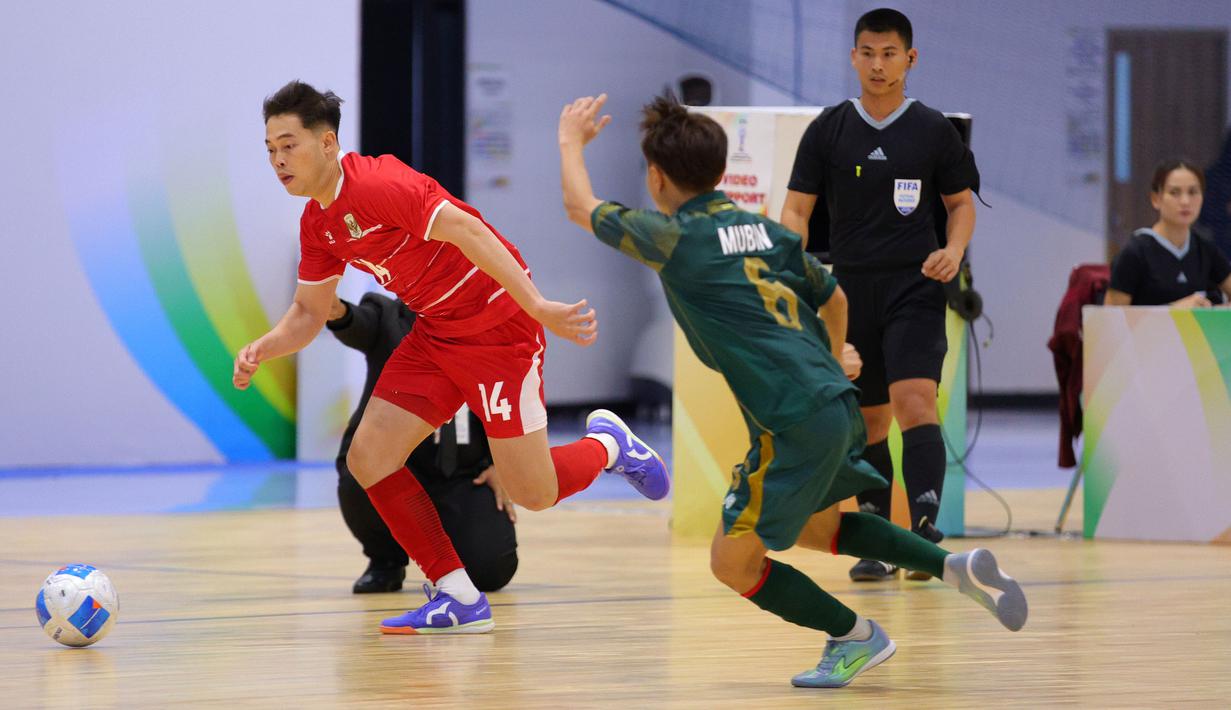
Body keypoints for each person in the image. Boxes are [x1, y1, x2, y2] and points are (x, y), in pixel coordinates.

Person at [557, 92, 1026, 689]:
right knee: (815, 527)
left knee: (732, 562)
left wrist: (571, 139)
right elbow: (834, 297)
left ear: (656, 177)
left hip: (793, 420)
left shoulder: (674, 237)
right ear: (721, 171)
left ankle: (857, 637)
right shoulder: (763, 232)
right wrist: (834, 358)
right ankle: (949, 565)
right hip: (834, 405)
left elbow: (580, 206)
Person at [234, 81, 670, 635]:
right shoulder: (317, 223)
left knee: (534, 492)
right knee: (369, 457)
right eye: (269, 148)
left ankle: (608, 445)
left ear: (326, 144)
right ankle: (458, 596)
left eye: (288, 145)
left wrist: (534, 305)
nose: (277, 160)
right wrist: (264, 349)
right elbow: (309, 310)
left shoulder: (378, 181)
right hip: (437, 333)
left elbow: (466, 228)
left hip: (498, 329)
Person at [780, 8, 980, 582]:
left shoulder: (934, 130)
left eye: (889, 53)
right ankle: (878, 542)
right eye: (867, 52)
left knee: (916, 398)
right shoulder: (829, 129)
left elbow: (961, 204)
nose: (877, 63)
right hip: (848, 289)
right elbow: (797, 208)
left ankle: (923, 533)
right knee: (867, 422)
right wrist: (794, 269)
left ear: (910, 59)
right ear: (852, 57)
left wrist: (955, 249)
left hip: (917, 283)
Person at [326, 292, 518, 595]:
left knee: (491, 571)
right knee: (361, 476)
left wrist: (503, 464)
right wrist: (334, 309)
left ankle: (454, 565)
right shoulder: (388, 315)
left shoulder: (489, 323)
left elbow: (512, 392)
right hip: (396, 468)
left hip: (466, 472)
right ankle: (385, 561)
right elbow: (355, 323)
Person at [1106, 159, 1231, 307]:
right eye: (1174, 192)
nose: (1185, 201)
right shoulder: (1135, 252)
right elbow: (1111, 320)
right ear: (1156, 199)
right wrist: (1172, 312)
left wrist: (1214, 313)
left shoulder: (1205, 249)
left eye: (1193, 192)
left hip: (1198, 330)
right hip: (1150, 331)